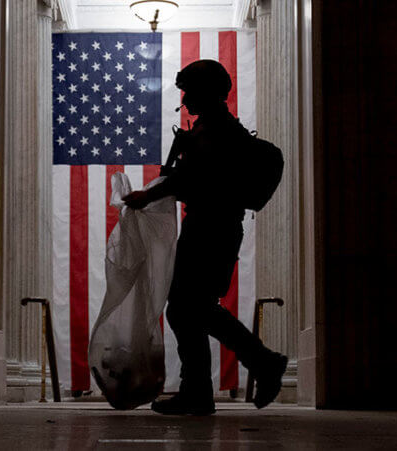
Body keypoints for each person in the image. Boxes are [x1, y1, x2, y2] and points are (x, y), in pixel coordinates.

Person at [122, 59, 288, 415]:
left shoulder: (217, 132)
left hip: (213, 229)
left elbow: (190, 181)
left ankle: (253, 365)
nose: (185, 99)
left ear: (207, 93)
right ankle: (210, 385)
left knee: (187, 308)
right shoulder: (213, 130)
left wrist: (146, 196)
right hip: (210, 227)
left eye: (190, 91)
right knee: (189, 309)